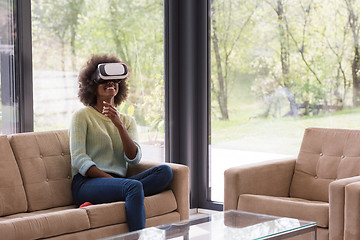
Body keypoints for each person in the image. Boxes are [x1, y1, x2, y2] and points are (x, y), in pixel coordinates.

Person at [70, 54, 173, 231]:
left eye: (115, 80)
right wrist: (112, 181)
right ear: (92, 85)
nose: (111, 83)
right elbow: (79, 159)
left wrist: (119, 125)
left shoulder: (127, 121)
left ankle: (111, 197)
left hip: (120, 182)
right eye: (105, 80)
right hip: (87, 183)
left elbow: (134, 158)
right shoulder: (82, 116)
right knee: (133, 187)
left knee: (165, 172)